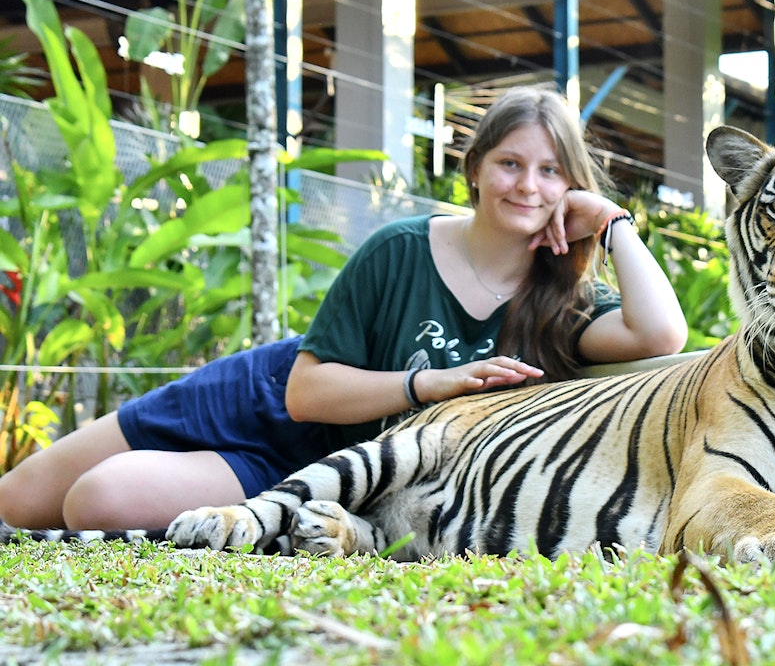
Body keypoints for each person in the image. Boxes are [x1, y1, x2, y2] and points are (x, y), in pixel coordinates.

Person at [0, 85, 687, 532]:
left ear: (571, 186)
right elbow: (304, 389)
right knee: (17, 500)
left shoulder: (562, 302)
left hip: (331, 466)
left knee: (96, 501)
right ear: (474, 167)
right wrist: (428, 384)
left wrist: (615, 221)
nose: (528, 186)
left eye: (550, 172)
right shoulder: (399, 249)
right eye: (510, 164)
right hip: (266, 398)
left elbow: (662, 332)